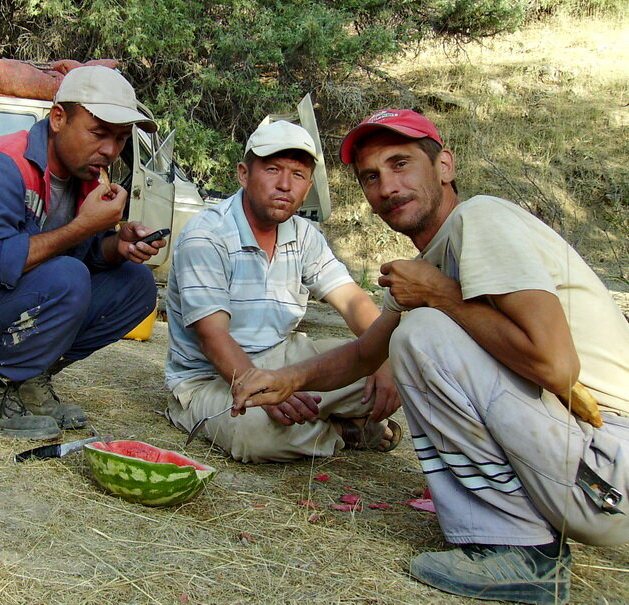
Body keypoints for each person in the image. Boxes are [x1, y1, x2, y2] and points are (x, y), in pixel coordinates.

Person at [232, 109, 629, 603]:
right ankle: (519, 537)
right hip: (587, 463)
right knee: (414, 330)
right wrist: (288, 378)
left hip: (609, 466)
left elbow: (558, 368)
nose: (388, 187)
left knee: (421, 333)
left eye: (402, 165)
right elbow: (362, 355)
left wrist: (441, 297)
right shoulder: (429, 266)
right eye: (371, 177)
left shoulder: (480, 219)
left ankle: (521, 553)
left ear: (444, 166)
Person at [0, 66, 166, 440]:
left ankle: (29, 378)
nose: (110, 151)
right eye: (98, 133)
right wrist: (83, 226)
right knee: (67, 277)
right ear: (59, 118)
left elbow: (75, 251)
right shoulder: (4, 163)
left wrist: (114, 244)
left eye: (120, 139)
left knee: (136, 284)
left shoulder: (84, 175)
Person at [164, 120, 401, 463]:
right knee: (256, 434)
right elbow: (212, 336)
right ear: (244, 174)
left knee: (405, 366)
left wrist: (384, 358)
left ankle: (310, 420)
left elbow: (352, 300)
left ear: (308, 188)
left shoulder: (304, 234)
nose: (285, 185)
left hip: (286, 359)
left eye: (299, 174)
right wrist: (267, 390)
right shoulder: (208, 236)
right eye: (273, 169)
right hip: (211, 378)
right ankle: (342, 431)